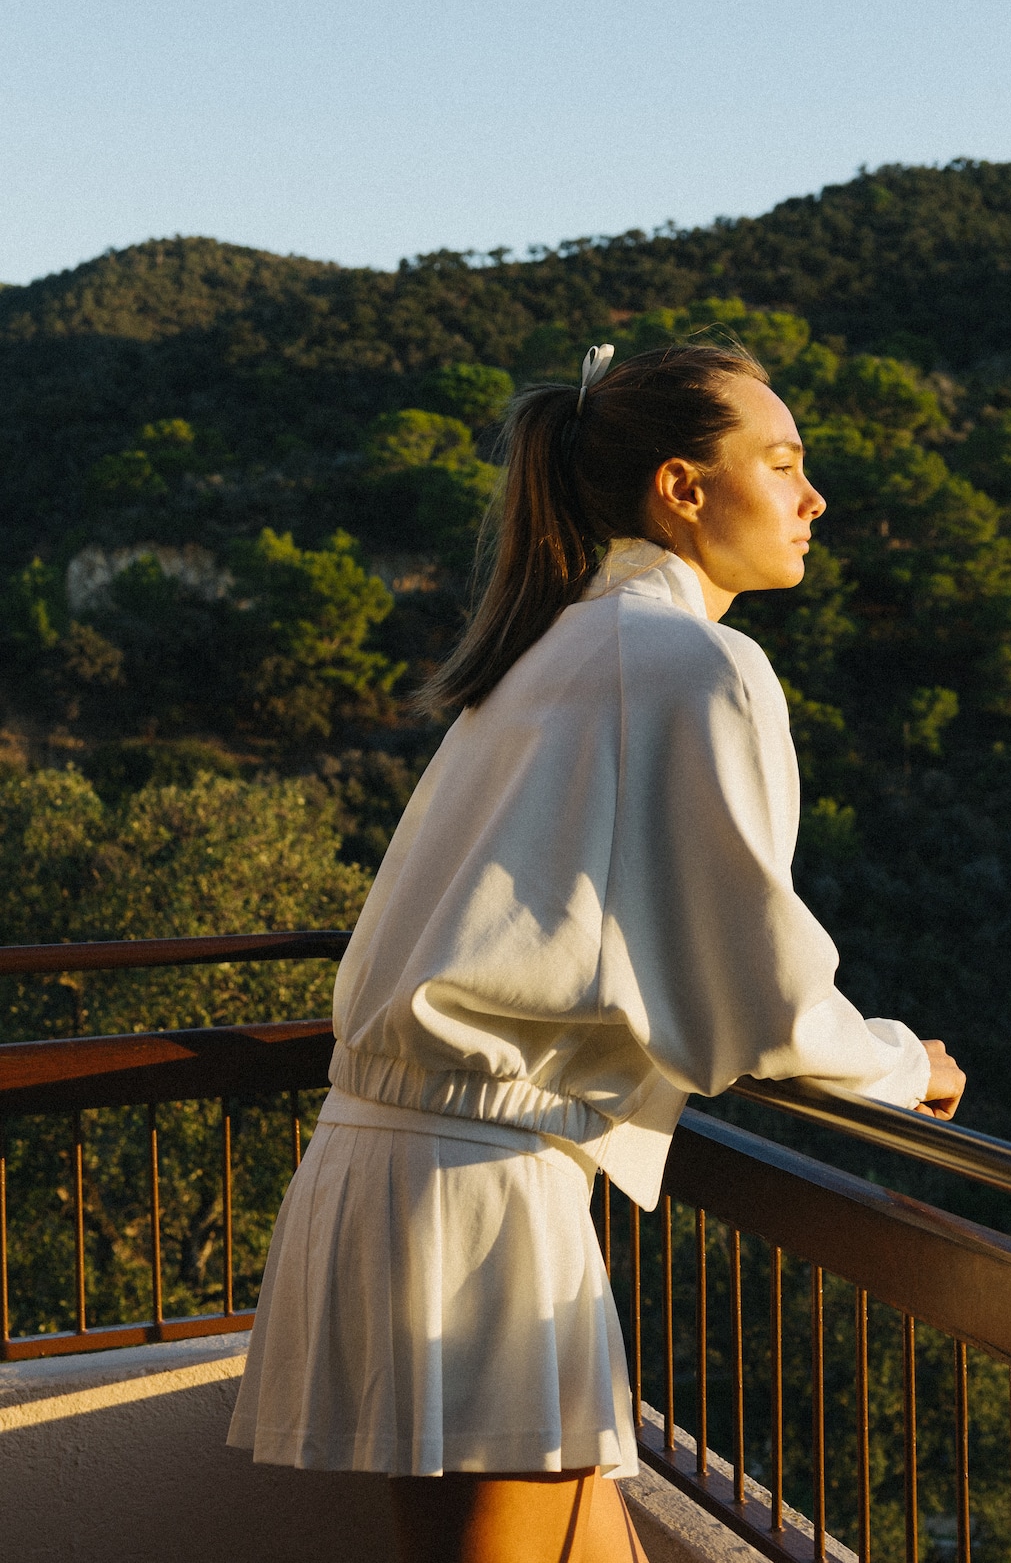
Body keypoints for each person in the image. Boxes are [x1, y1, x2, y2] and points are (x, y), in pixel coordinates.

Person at [229, 339, 966, 1563]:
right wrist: (903, 1065)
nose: (812, 498)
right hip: (477, 1199)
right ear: (682, 488)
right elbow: (763, 994)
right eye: (781, 463)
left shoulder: (547, 653)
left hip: (403, 1171)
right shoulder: (694, 667)